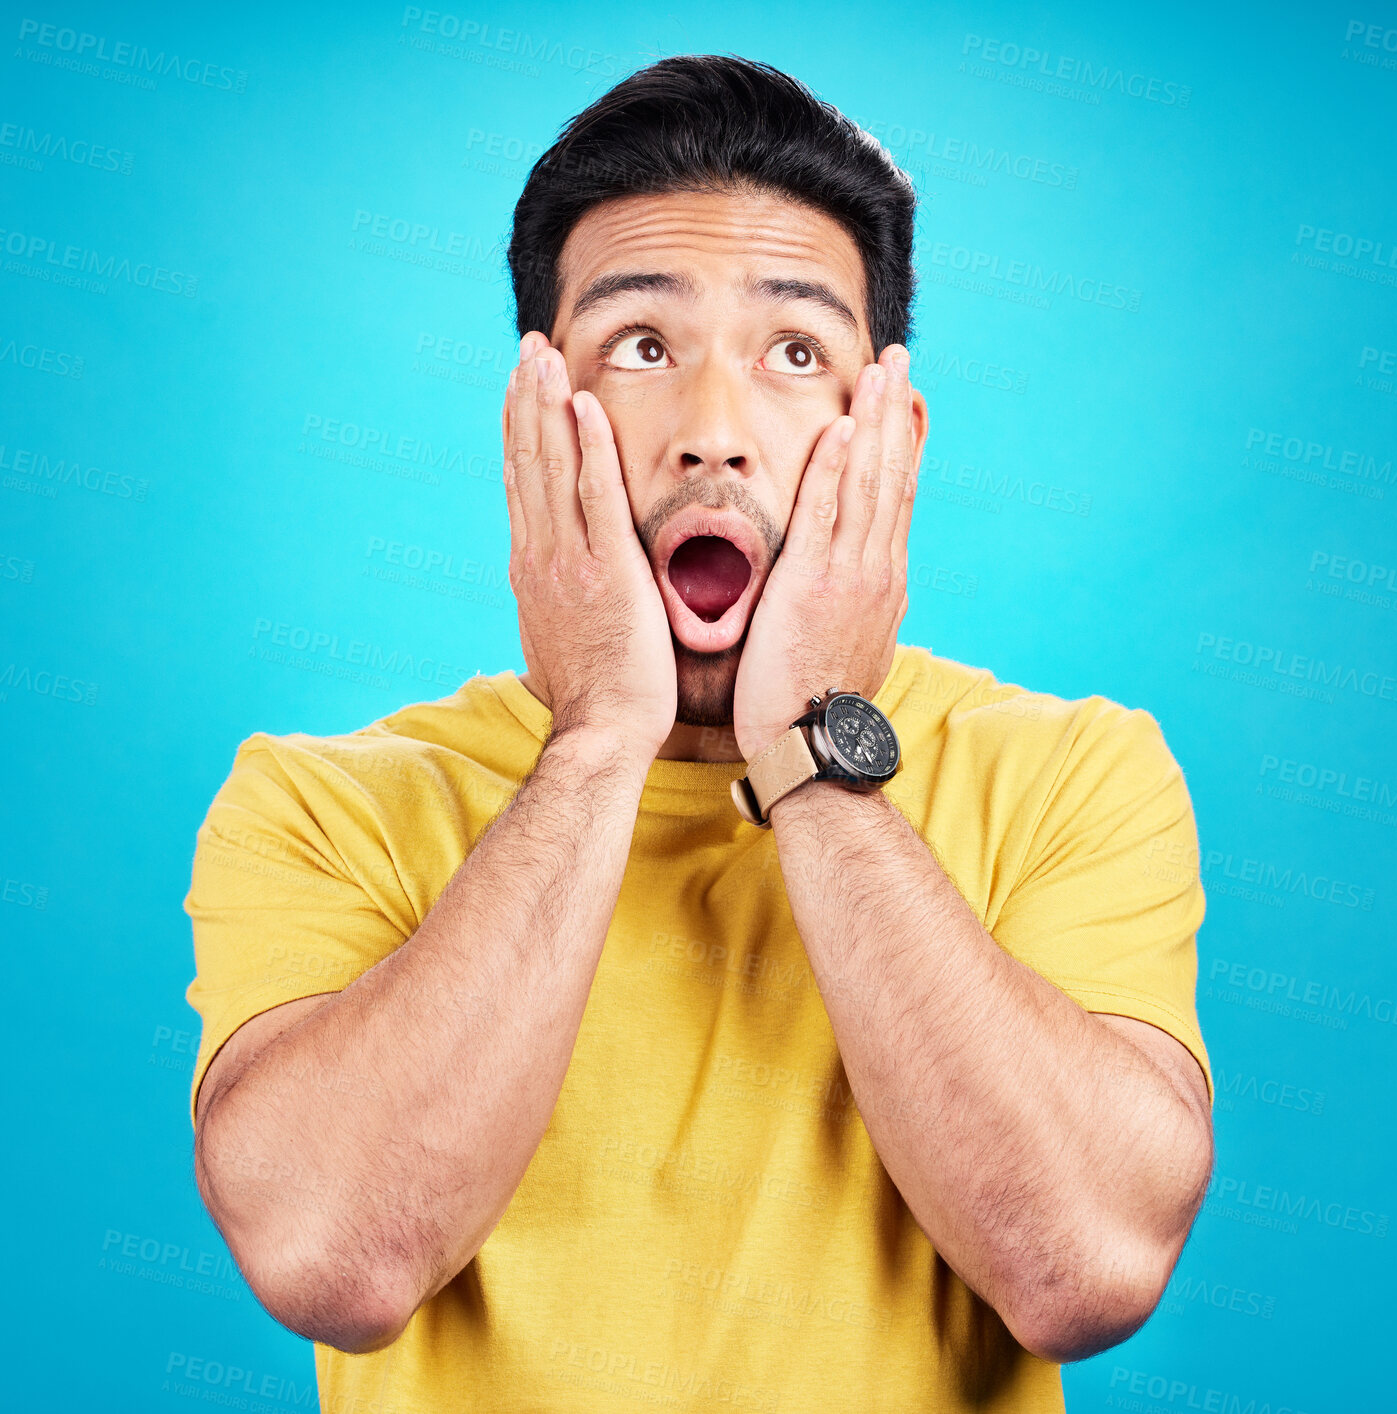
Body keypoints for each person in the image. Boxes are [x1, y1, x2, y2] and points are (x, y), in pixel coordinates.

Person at [184, 53, 1214, 1412]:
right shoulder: (325, 803)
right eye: (642, 347)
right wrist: (604, 731)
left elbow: (1080, 1266)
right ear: (538, 425)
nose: (713, 434)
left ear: (885, 435)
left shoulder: (1073, 774)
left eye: (795, 352)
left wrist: (809, 743)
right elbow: (334, 1258)